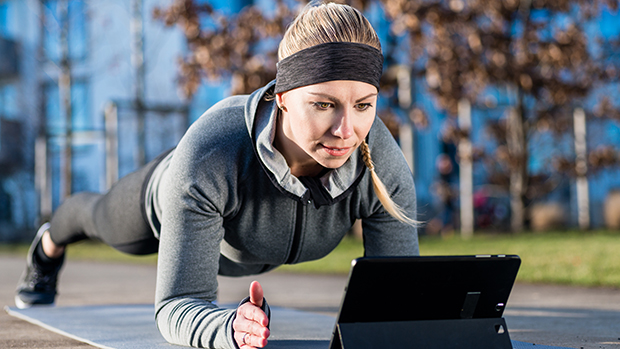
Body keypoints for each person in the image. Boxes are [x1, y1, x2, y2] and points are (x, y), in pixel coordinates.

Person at [15, 2, 419, 348]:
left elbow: (398, 299)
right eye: (324, 105)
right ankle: (48, 244)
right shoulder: (213, 152)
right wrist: (226, 327)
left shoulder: (380, 162)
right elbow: (177, 305)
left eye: (364, 105)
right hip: (163, 200)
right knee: (97, 217)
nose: (345, 130)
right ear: (281, 97)